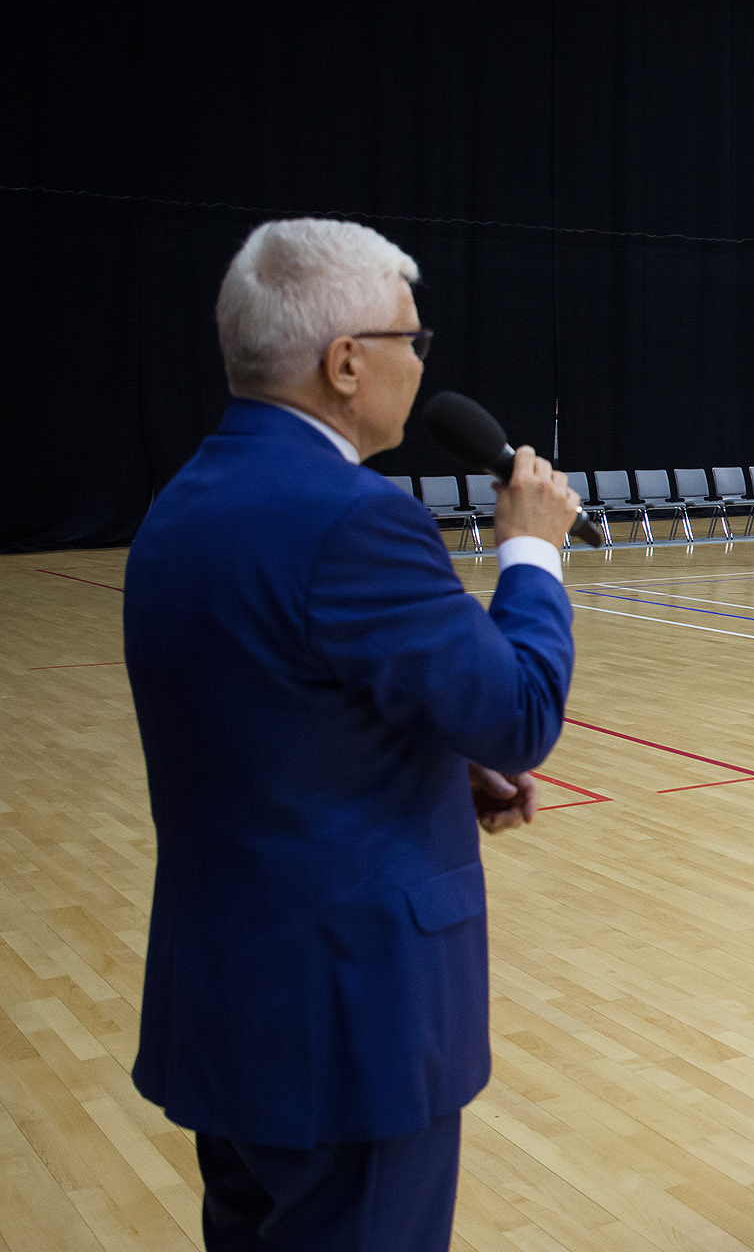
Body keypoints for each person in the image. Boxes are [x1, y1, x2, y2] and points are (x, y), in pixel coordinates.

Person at [122, 218, 580, 1251]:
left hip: (229, 1003)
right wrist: (530, 553)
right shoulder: (357, 519)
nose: (422, 363)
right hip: (353, 1022)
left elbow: (264, 719)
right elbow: (519, 710)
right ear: (344, 362)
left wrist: (428, 765)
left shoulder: (182, 502)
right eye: (411, 340)